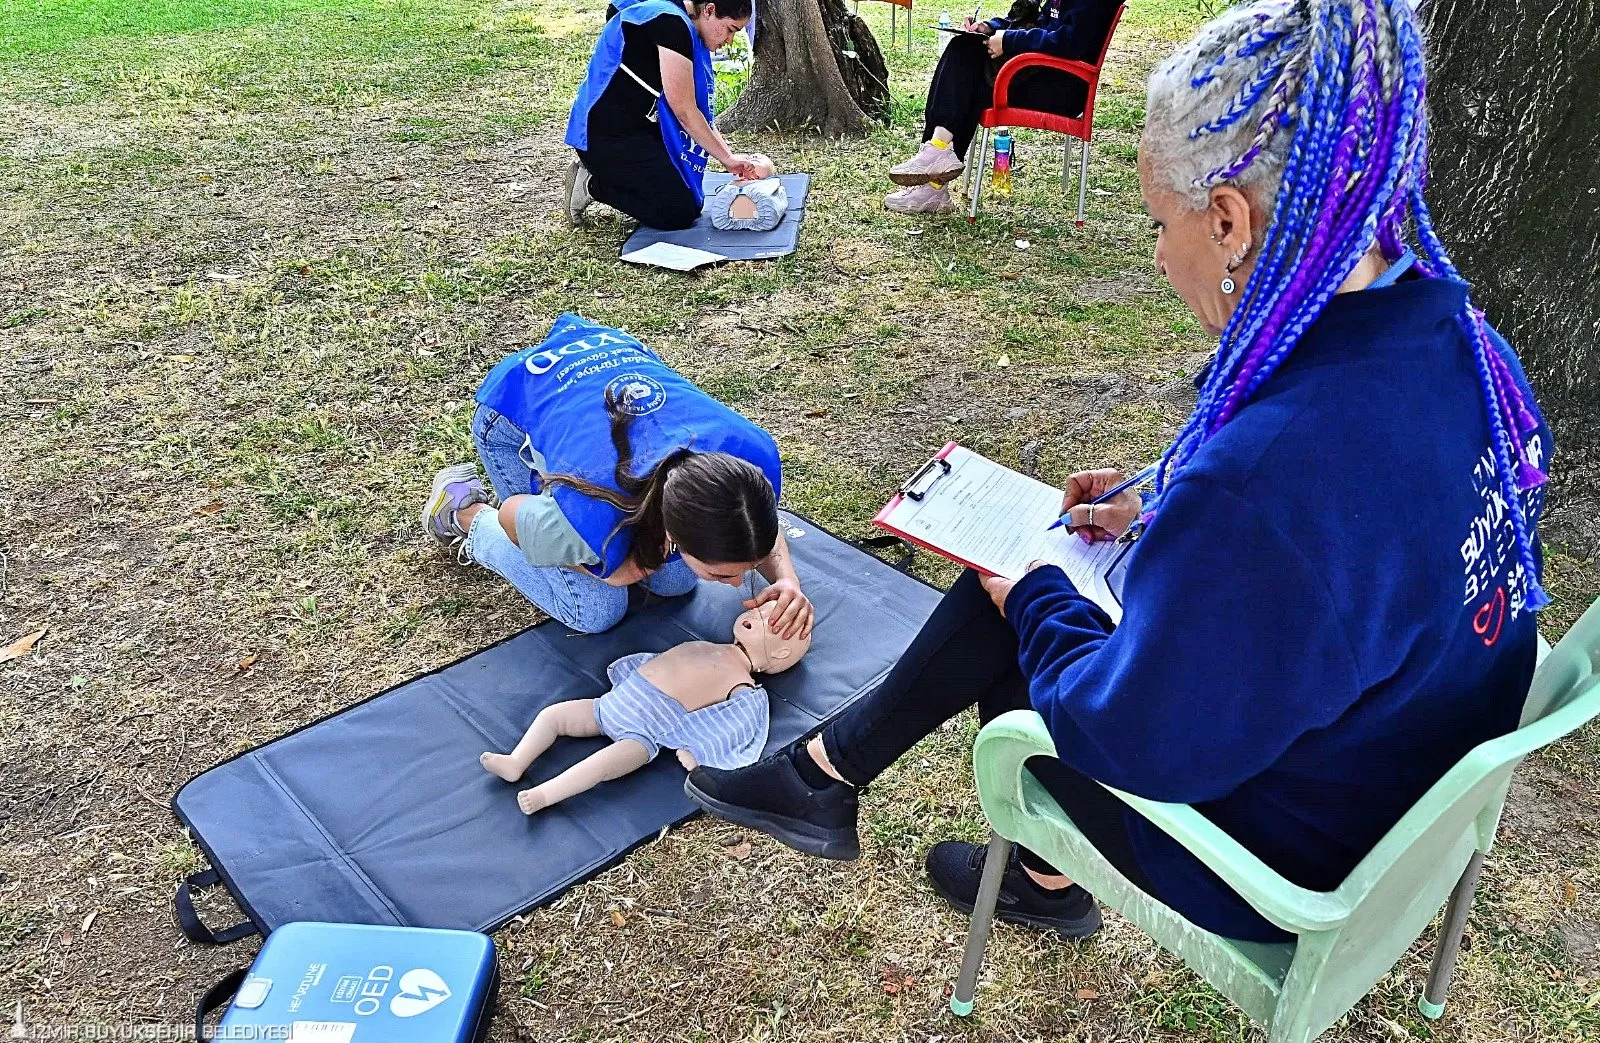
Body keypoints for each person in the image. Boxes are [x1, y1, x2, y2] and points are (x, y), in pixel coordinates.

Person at [686, 0, 1553, 944]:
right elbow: (1348, 531)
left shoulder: (1264, 487)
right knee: (1029, 583)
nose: (1155, 253)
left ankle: (964, 839)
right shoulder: (1462, 340)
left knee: (1021, 612)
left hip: (1288, 853)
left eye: (1157, 223)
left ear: (1227, 220)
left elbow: (1127, 735)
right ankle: (839, 782)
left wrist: (1044, 598)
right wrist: (1157, 498)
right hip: (1397, 765)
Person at [422, 313, 813, 639]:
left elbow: (752, 527)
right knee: (595, 610)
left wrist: (786, 578)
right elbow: (513, 516)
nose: (734, 585)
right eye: (722, 572)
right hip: (514, 410)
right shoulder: (593, 512)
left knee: (675, 582)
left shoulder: (748, 466)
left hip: (606, 369)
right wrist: (606, 572)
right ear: (672, 533)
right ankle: (462, 510)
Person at [883, 0, 1121, 214]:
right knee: (964, 52)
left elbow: (1071, 42)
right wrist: (991, 27)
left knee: (968, 72)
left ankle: (934, 173)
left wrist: (1010, 41)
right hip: (1037, 69)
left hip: (1061, 85)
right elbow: (1036, 21)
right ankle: (935, 166)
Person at [564, 0, 775, 229]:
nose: (728, 41)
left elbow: (699, 113)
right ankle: (592, 185)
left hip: (640, 126)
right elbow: (684, 110)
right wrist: (727, 159)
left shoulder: (679, 17)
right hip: (602, 135)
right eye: (730, 29)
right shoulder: (670, 23)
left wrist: (729, 157)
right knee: (676, 213)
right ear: (710, 9)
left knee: (691, 203)